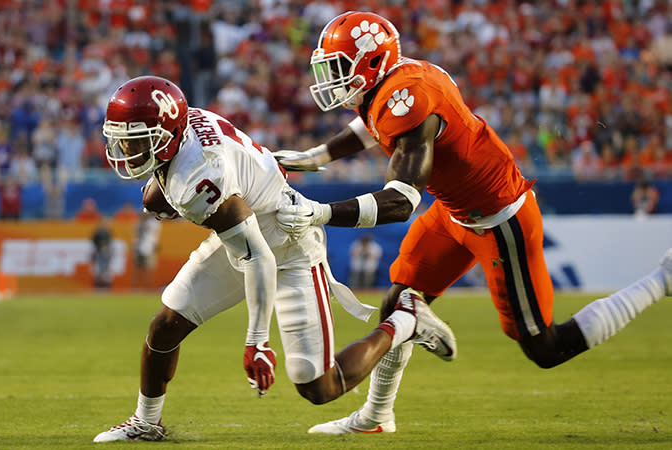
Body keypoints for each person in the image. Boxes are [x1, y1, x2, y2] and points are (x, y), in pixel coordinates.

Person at [274, 11, 672, 434]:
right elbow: (373, 122)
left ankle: (662, 279)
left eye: (338, 68)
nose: (330, 79)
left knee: (545, 347)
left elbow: (401, 200)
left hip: (500, 221)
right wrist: (315, 157)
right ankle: (376, 417)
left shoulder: (410, 97)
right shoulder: (397, 82)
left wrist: (322, 211)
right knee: (398, 301)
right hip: (454, 211)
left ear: (370, 64)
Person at [93, 75, 456, 442]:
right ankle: (146, 422)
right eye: (122, 136)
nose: (125, 146)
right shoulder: (188, 125)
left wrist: (257, 342)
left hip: (287, 245)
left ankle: (404, 322)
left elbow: (258, 257)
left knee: (318, 386)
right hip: (246, 229)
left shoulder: (197, 179)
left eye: (137, 137)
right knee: (166, 324)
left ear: (167, 133)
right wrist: (162, 190)